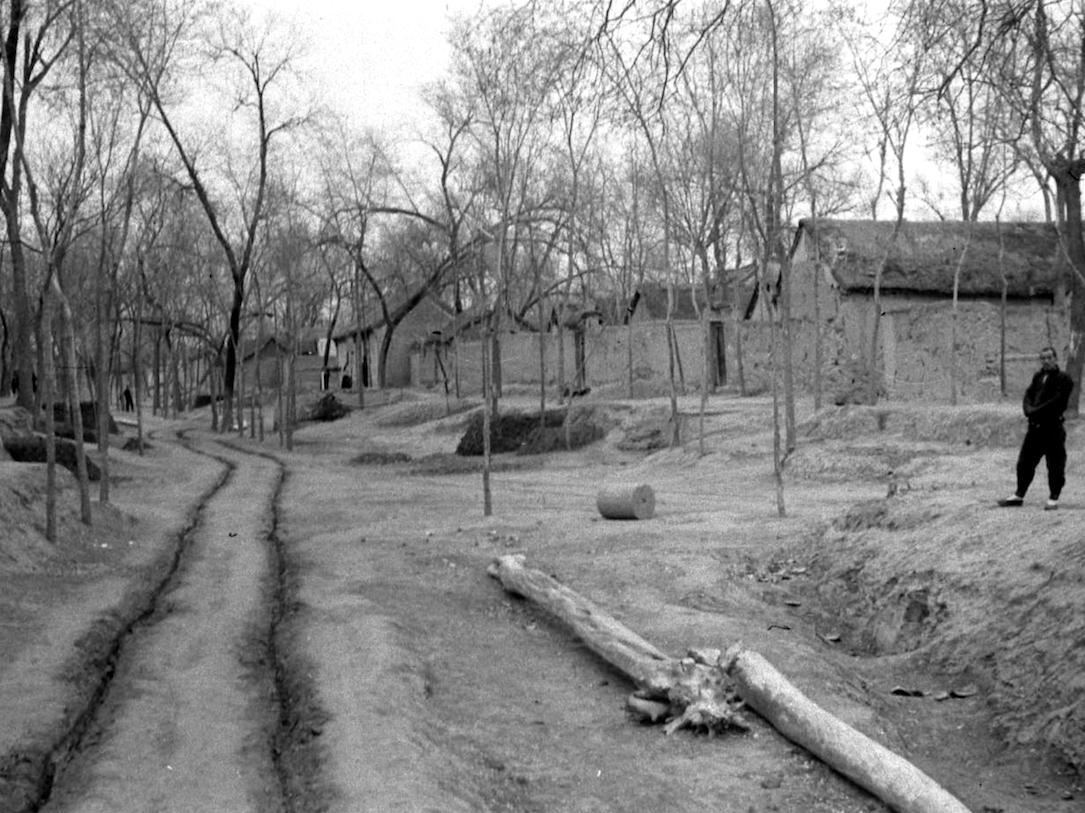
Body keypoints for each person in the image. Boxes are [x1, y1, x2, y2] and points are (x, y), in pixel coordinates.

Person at [999, 346, 1074, 510]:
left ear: (1056, 358)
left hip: (1052, 428)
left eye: (1049, 357)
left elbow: (1056, 403)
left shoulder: (1064, 379)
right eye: (1043, 358)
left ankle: (1054, 497)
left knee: (1055, 465)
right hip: (1035, 429)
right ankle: (1019, 495)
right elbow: (1028, 395)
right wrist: (1027, 410)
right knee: (1024, 463)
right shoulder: (1038, 377)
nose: (1046, 361)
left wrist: (1034, 411)